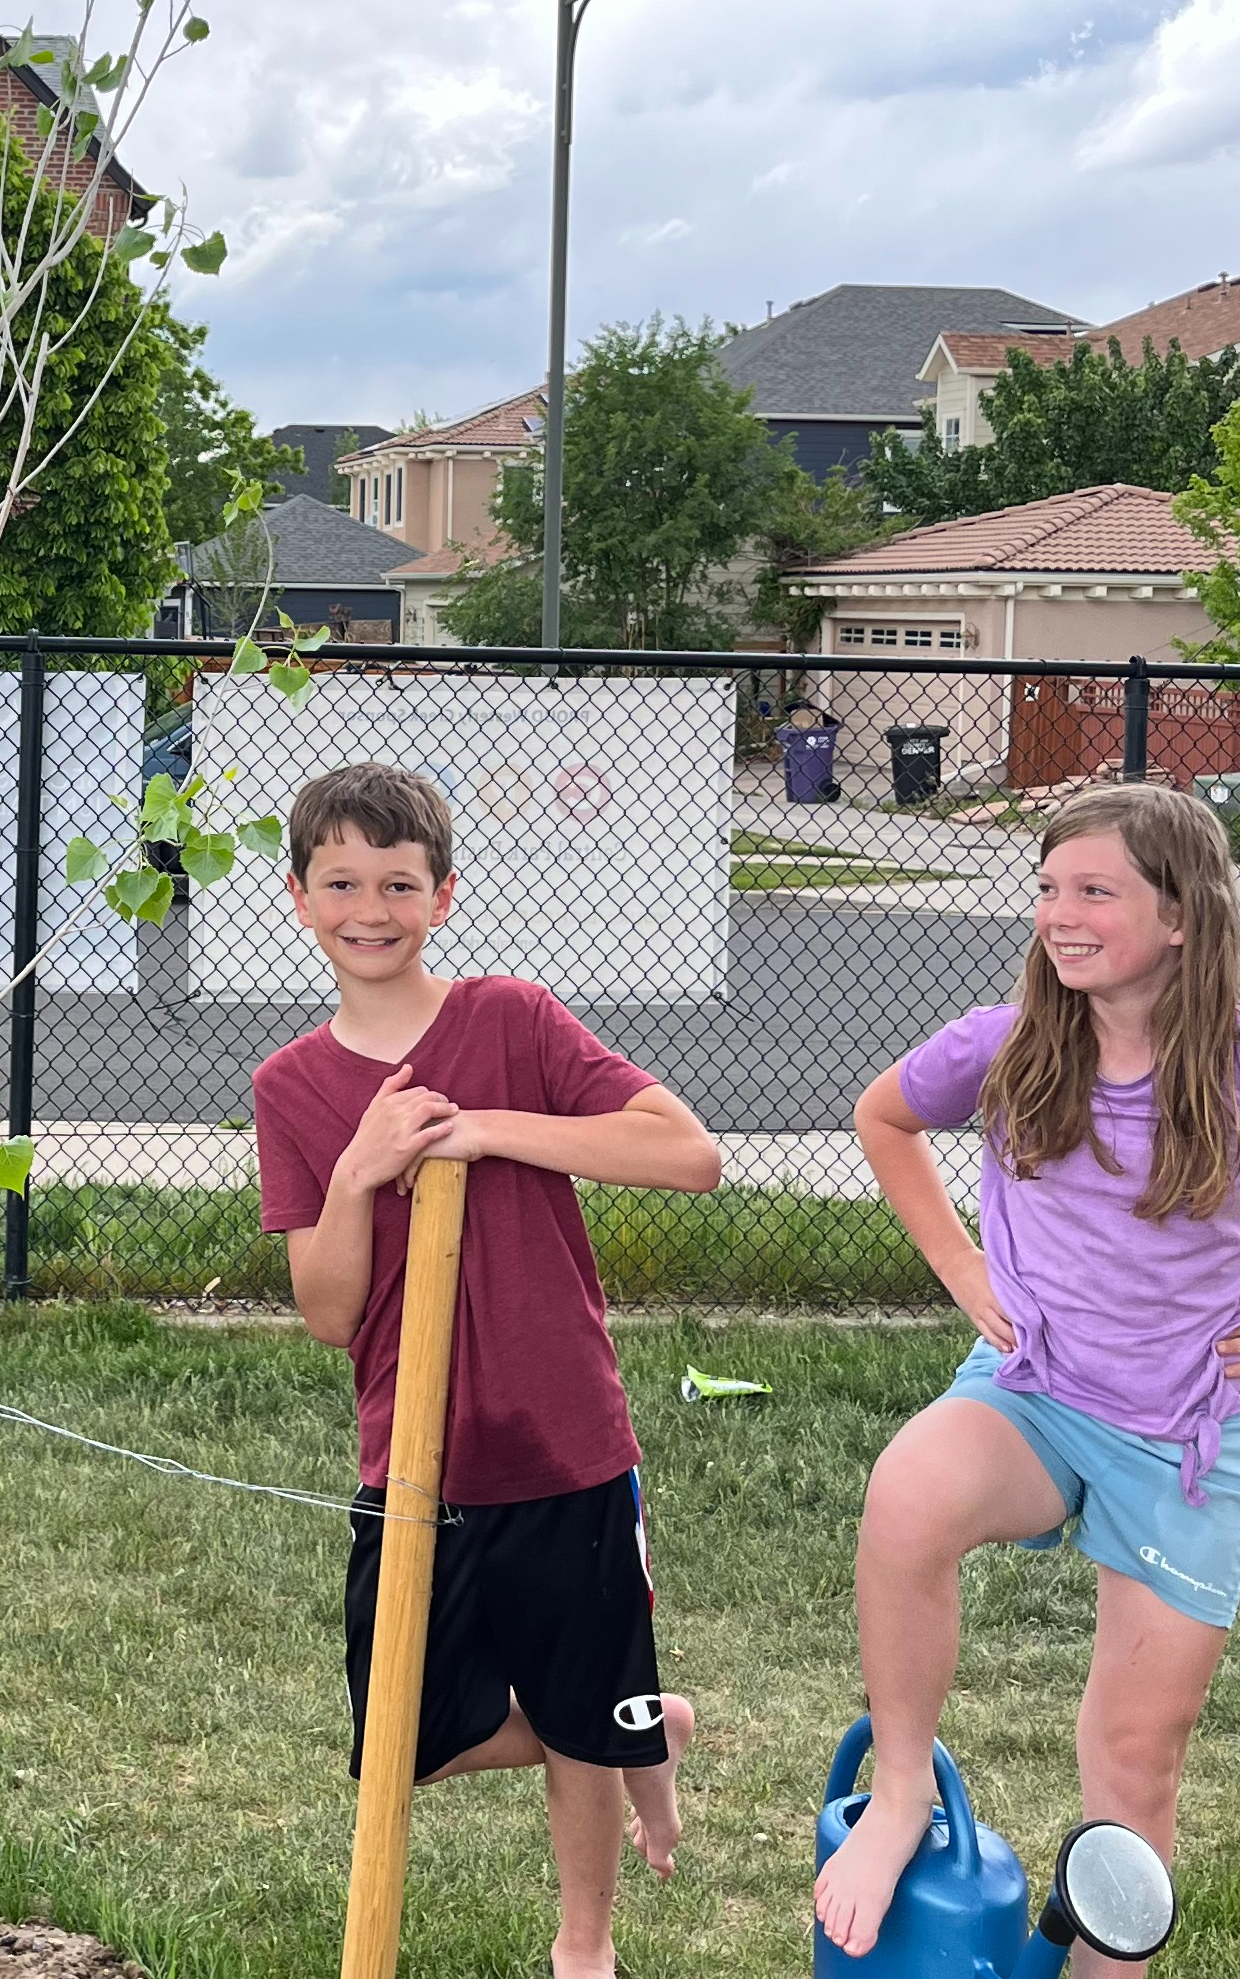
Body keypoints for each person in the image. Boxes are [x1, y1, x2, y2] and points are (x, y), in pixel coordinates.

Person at [817, 786, 1240, 1974]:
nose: (1059, 915)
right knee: (907, 1495)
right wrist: (962, 1266)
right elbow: (883, 1117)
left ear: (1181, 915)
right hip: (1036, 1390)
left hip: (1185, 1439)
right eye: (1050, 888)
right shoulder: (1009, 1042)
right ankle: (902, 1793)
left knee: (1133, 1759)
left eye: (1094, 891)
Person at [251, 762, 722, 1979]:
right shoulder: (293, 1087)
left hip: (563, 1435)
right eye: (342, 881)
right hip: (414, 1455)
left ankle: (585, 1946)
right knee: (406, 1732)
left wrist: (481, 1128)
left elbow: (689, 1156)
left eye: (399, 883)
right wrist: (361, 1169)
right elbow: (326, 1311)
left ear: (442, 896)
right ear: (299, 898)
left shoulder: (510, 1020)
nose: (372, 908)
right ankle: (635, 1725)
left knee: (576, 1709)